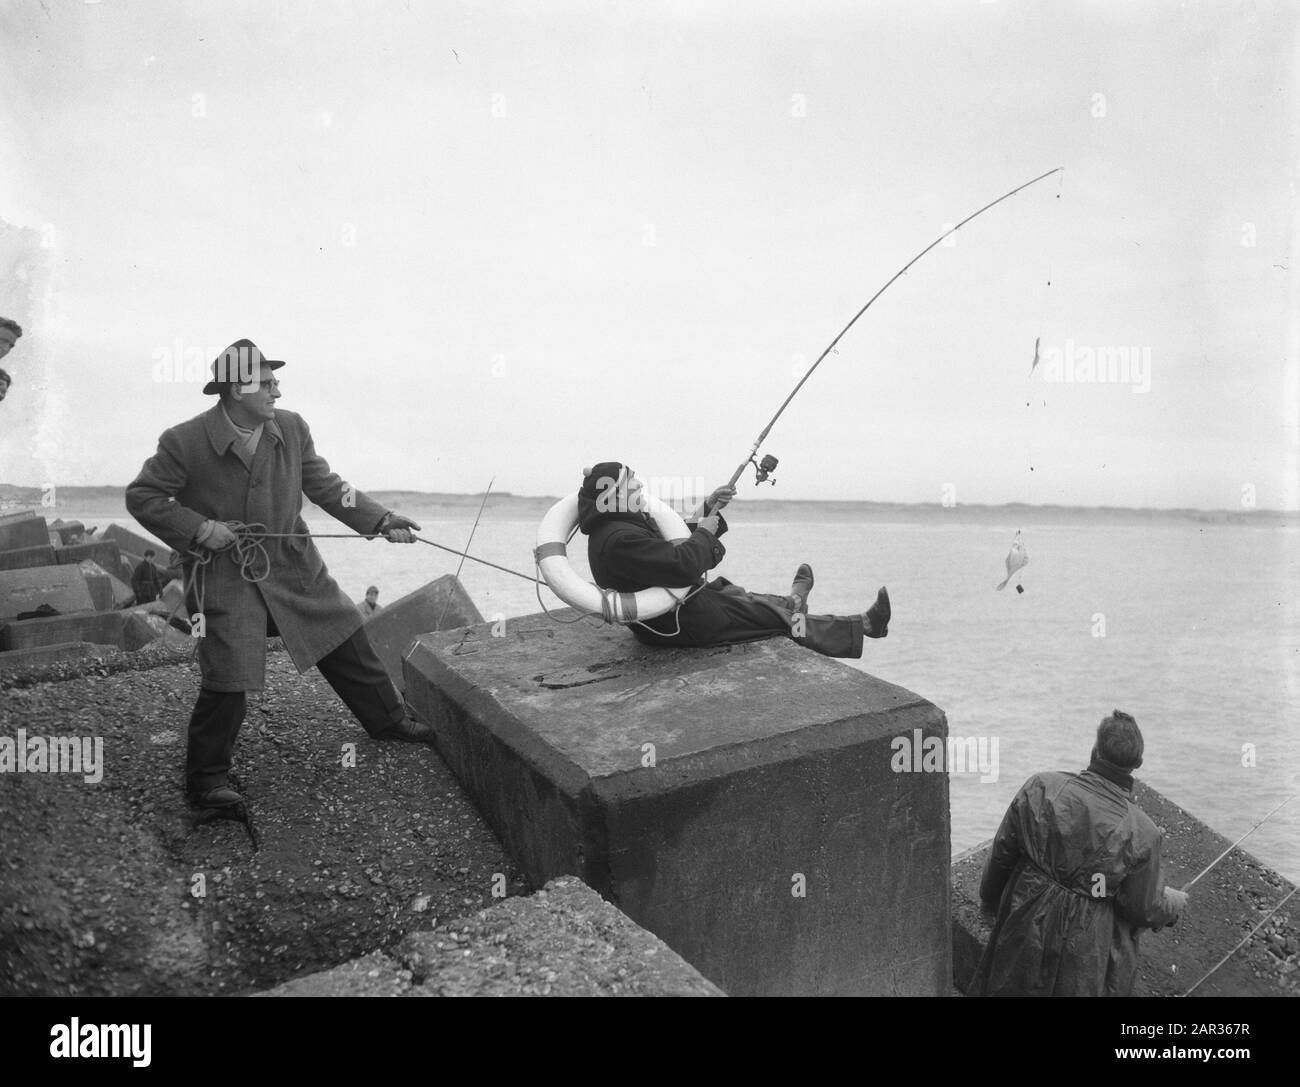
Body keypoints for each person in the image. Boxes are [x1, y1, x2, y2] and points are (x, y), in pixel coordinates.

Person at [126, 338, 433, 816]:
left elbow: (326, 486)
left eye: (276, 382)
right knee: (230, 671)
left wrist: (380, 519)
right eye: (266, 383)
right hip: (222, 573)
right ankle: (206, 784)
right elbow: (144, 498)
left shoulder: (290, 427)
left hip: (291, 561)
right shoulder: (183, 441)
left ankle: (388, 719)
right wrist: (201, 529)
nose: (276, 391)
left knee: (343, 631)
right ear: (234, 390)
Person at [969, 710, 1188, 997]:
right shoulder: (1143, 832)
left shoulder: (1041, 786)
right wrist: (1173, 903)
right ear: (1137, 764)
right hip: (1085, 948)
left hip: (1024, 917)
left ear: (1095, 750)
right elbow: (1140, 907)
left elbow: (1003, 852)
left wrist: (989, 900)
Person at [578, 461, 890, 659]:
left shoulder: (617, 527)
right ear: (614, 493)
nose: (639, 484)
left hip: (678, 611)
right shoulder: (620, 539)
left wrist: (707, 510)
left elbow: (666, 550)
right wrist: (704, 534)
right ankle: (862, 625)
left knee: (734, 593)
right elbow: (680, 566)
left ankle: (792, 600)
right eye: (632, 480)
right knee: (776, 622)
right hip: (680, 625)